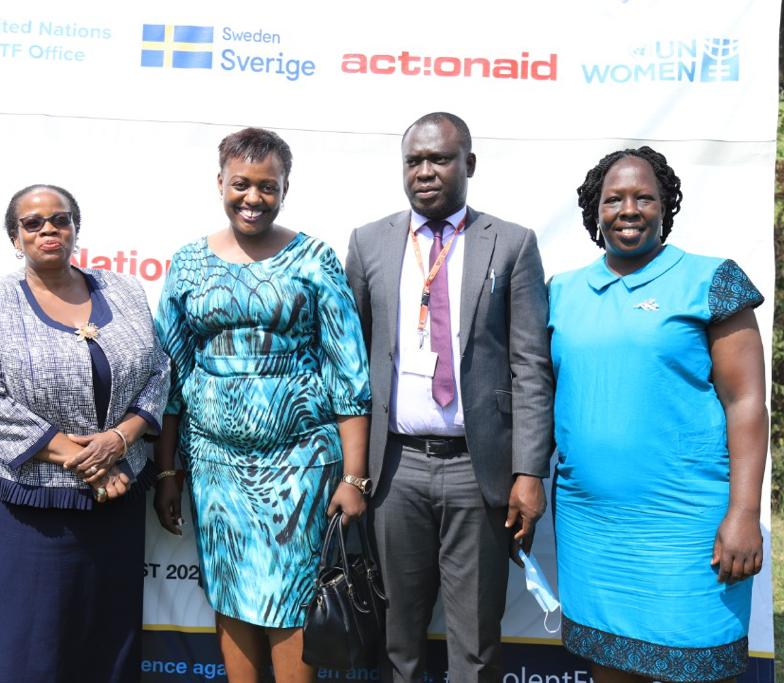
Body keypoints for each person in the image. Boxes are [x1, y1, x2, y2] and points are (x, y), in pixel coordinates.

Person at [153, 127, 371, 682]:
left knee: (294, 598)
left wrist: (355, 477)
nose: (253, 198)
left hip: (300, 465)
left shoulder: (314, 258)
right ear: (220, 183)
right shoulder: (187, 264)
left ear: (285, 189)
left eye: (267, 187)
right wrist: (168, 470)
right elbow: (170, 377)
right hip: (216, 466)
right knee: (229, 594)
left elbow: (348, 371)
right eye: (241, 184)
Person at [344, 112, 554, 683]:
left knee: (477, 641)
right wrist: (353, 470)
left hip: (478, 471)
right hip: (395, 471)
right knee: (397, 639)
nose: (426, 172)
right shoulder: (368, 243)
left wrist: (529, 472)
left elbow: (531, 367)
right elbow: (349, 367)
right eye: (414, 161)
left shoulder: (511, 244)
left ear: (470, 165)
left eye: (440, 159)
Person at [549, 147, 767, 683]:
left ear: (665, 205)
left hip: (687, 525)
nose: (629, 209)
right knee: (610, 667)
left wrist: (743, 513)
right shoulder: (560, 290)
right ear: (594, 211)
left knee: (692, 664)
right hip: (590, 525)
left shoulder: (711, 279)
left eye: (644, 197)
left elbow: (746, 403)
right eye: (614, 198)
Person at [0, 184, 170, 683]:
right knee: (28, 647)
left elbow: (159, 371)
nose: (48, 229)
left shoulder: (123, 290)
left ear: (76, 228)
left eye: (60, 219)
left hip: (116, 501)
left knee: (106, 641)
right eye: (33, 222)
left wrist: (119, 440)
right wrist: (87, 459)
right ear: (15, 236)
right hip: (27, 511)